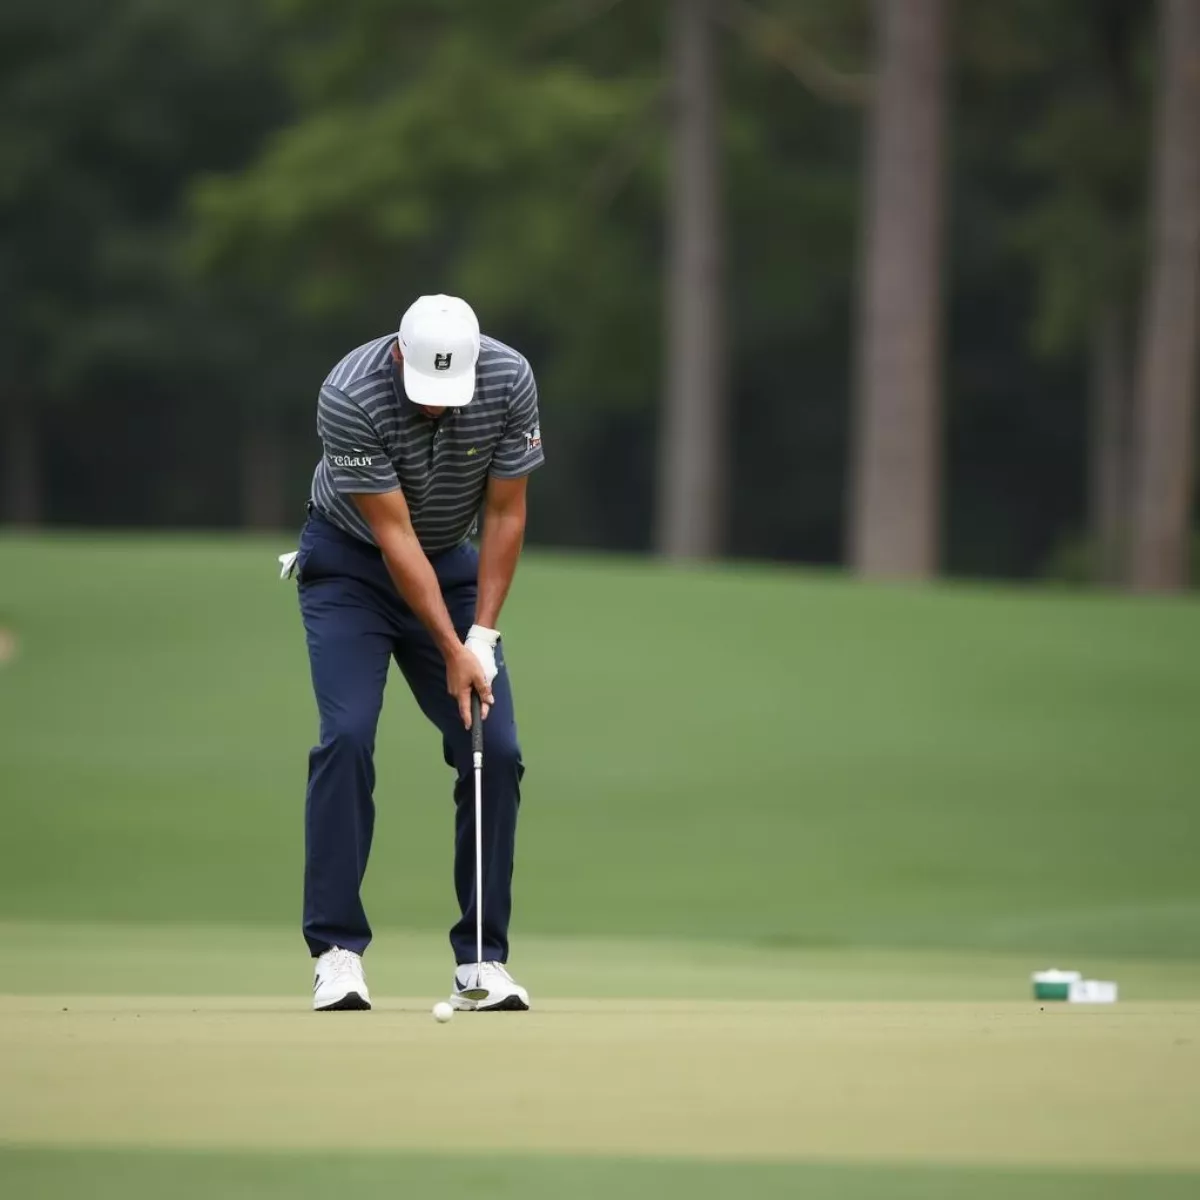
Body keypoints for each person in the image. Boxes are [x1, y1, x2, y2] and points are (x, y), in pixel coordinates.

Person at [285, 294, 542, 1012]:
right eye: (424, 396)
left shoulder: (508, 378)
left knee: (497, 745)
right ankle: (337, 954)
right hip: (350, 569)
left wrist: (480, 641)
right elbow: (394, 537)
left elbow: (505, 511)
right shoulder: (349, 392)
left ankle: (482, 962)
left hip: (451, 566)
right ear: (398, 356)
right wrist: (448, 647)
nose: (435, 409)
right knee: (348, 736)